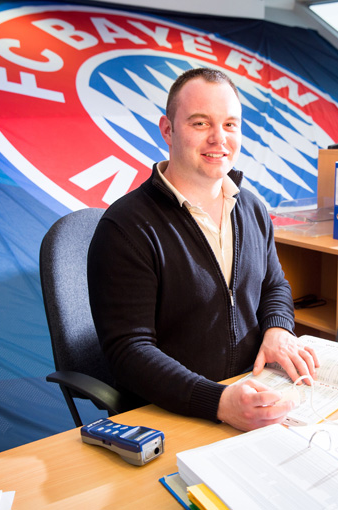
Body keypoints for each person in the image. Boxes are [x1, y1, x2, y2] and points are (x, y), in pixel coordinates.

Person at [87, 67, 319, 432]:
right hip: (170, 414)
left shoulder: (252, 208)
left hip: (250, 396)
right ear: (168, 130)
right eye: (200, 123)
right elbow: (129, 353)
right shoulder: (126, 228)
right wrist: (220, 402)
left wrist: (278, 329)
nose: (218, 139)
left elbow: (274, 285)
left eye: (230, 125)